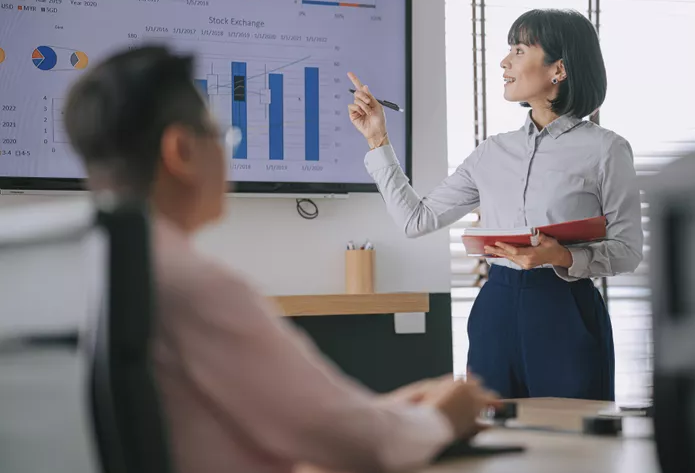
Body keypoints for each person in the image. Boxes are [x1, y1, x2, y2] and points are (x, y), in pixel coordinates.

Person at [63, 46, 497, 473]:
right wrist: (444, 415)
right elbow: (359, 444)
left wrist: (381, 413)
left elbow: (304, 421)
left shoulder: (88, 270)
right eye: (220, 135)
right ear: (181, 150)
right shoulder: (195, 286)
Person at [349, 8, 644, 401]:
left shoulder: (607, 150)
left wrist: (562, 257)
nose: (505, 62)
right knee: (493, 444)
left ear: (558, 68)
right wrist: (377, 141)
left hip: (566, 313)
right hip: (495, 310)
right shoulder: (492, 152)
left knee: (570, 447)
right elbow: (415, 220)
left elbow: (628, 251)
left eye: (519, 50)